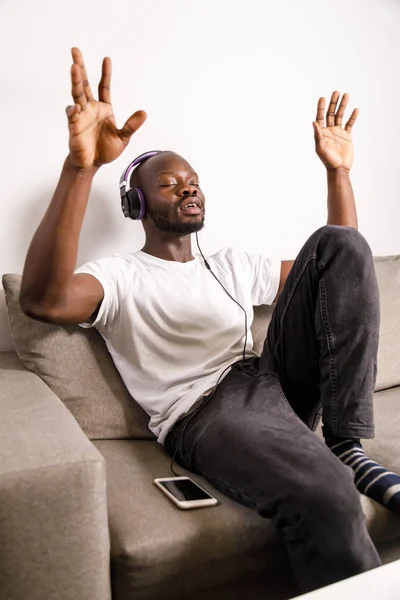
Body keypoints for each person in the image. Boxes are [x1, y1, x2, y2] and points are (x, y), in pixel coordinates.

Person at [20, 47, 399, 593]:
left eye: (192, 179)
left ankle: (346, 442)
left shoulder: (233, 264)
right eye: (169, 184)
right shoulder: (120, 276)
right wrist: (82, 166)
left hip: (270, 381)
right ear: (136, 206)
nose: (188, 187)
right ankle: (338, 475)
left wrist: (338, 172)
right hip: (206, 411)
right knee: (327, 497)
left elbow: (343, 272)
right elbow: (45, 301)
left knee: (337, 244)